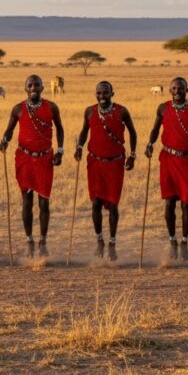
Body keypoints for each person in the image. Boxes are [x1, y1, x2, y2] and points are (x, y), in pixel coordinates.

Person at [144, 77, 188, 261]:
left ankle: (184, 241)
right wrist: (150, 143)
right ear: (169, 90)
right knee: (169, 203)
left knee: (186, 203)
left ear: (187, 89)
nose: (177, 91)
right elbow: (155, 129)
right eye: (174, 88)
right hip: (168, 159)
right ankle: (172, 241)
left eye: (180, 88)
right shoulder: (163, 108)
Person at [0, 75, 64, 259]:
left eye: (37, 84)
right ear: (25, 88)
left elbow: (59, 129)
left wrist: (60, 150)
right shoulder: (18, 109)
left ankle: (43, 242)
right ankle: (29, 241)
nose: (33, 87)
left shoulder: (51, 107)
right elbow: (10, 130)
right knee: (27, 202)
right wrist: (4, 140)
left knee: (44, 203)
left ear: (43, 87)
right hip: (24, 158)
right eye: (30, 85)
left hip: (45, 159)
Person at [73, 81, 137, 261]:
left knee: (113, 205)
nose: (102, 97)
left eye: (105, 93)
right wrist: (79, 146)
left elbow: (133, 132)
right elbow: (84, 131)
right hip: (95, 163)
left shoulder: (122, 111)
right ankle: (99, 239)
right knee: (96, 203)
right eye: (99, 93)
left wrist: (132, 155)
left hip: (115, 164)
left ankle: (112, 243)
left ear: (112, 93)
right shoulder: (90, 111)